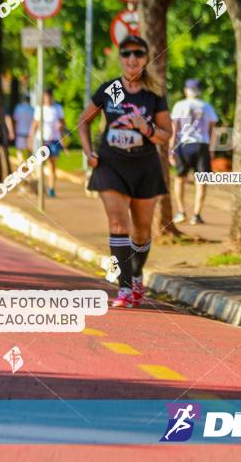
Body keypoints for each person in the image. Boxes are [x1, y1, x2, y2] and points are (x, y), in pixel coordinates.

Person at [78, 36, 172, 308]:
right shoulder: (110, 89)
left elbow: (166, 135)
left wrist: (147, 128)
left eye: (138, 54)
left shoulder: (153, 95)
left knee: (141, 231)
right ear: (120, 58)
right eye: (127, 54)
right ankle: (124, 287)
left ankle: (136, 273)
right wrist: (88, 152)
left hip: (144, 166)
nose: (132, 59)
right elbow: (83, 122)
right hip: (111, 165)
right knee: (119, 225)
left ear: (145, 59)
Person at [169, 78, 218, 225]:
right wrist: (212, 149)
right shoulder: (206, 106)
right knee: (201, 181)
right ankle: (196, 214)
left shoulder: (179, 105)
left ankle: (180, 212)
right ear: (199, 91)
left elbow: (174, 128)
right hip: (201, 145)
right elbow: (213, 129)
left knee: (179, 178)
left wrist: (171, 148)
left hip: (183, 145)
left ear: (186, 90)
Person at [28, 89, 65, 197]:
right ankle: (39, 188)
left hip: (54, 140)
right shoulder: (39, 109)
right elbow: (34, 124)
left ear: (52, 97)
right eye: (45, 98)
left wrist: (61, 126)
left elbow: (63, 123)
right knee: (39, 164)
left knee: (52, 165)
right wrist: (31, 138)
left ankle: (52, 189)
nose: (47, 100)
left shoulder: (57, 108)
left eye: (49, 97)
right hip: (41, 140)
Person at [9, 94, 34, 168]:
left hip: (20, 133)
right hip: (29, 134)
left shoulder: (18, 108)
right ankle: (29, 168)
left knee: (19, 152)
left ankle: (21, 167)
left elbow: (15, 120)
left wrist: (13, 131)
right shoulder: (32, 109)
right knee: (29, 152)